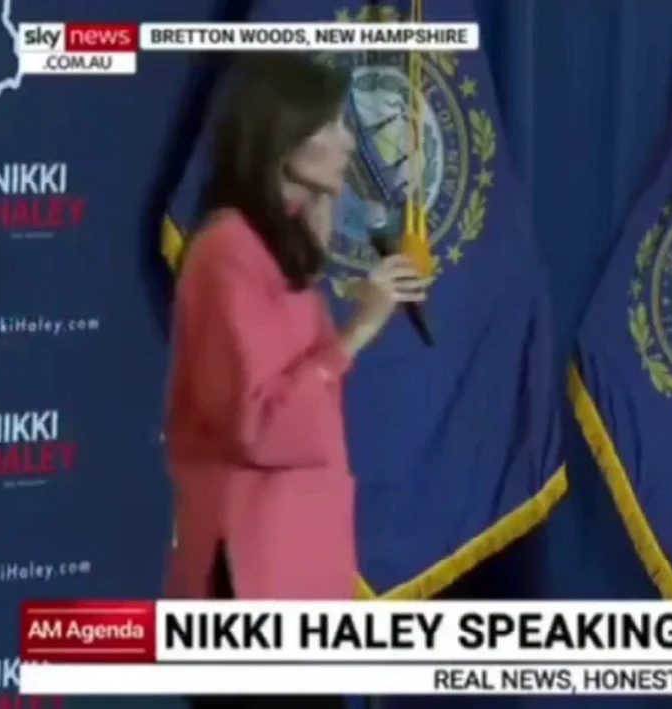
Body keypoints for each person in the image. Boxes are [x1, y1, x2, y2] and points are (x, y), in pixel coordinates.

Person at [162, 54, 429, 709]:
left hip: (296, 584)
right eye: (330, 125)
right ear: (280, 137)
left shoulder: (271, 248)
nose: (348, 141)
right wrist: (360, 328)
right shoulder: (226, 253)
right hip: (250, 586)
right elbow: (263, 423)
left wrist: (319, 224)